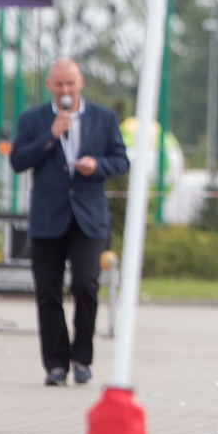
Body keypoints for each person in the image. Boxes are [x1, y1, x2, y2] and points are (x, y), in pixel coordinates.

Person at [10, 58, 129, 386]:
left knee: (86, 285)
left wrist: (98, 165)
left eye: (70, 84)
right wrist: (50, 136)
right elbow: (18, 160)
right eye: (59, 84)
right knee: (48, 291)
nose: (65, 90)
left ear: (81, 83)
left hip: (87, 218)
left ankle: (82, 358)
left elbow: (121, 160)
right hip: (48, 218)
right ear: (49, 85)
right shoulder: (33, 119)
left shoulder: (103, 118)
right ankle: (55, 364)